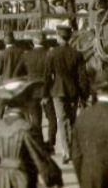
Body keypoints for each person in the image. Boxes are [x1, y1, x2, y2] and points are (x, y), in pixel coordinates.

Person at [0, 80, 62, 188]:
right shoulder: (26, 128)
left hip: (0, 180)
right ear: (24, 102)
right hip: (21, 178)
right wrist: (53, 178)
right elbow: (38, 156)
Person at [45, 23, 89, 163]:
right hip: (73, 91)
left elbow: (47, 76)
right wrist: (84, 95)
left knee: (62, 121)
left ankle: (67, 151)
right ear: (69, 37)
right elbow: (83, 77)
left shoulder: (52, 53)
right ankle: (73, 148)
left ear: (58, 37)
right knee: (72, 120)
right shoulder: (77, 54)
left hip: (58, 91)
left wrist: (46, 93)